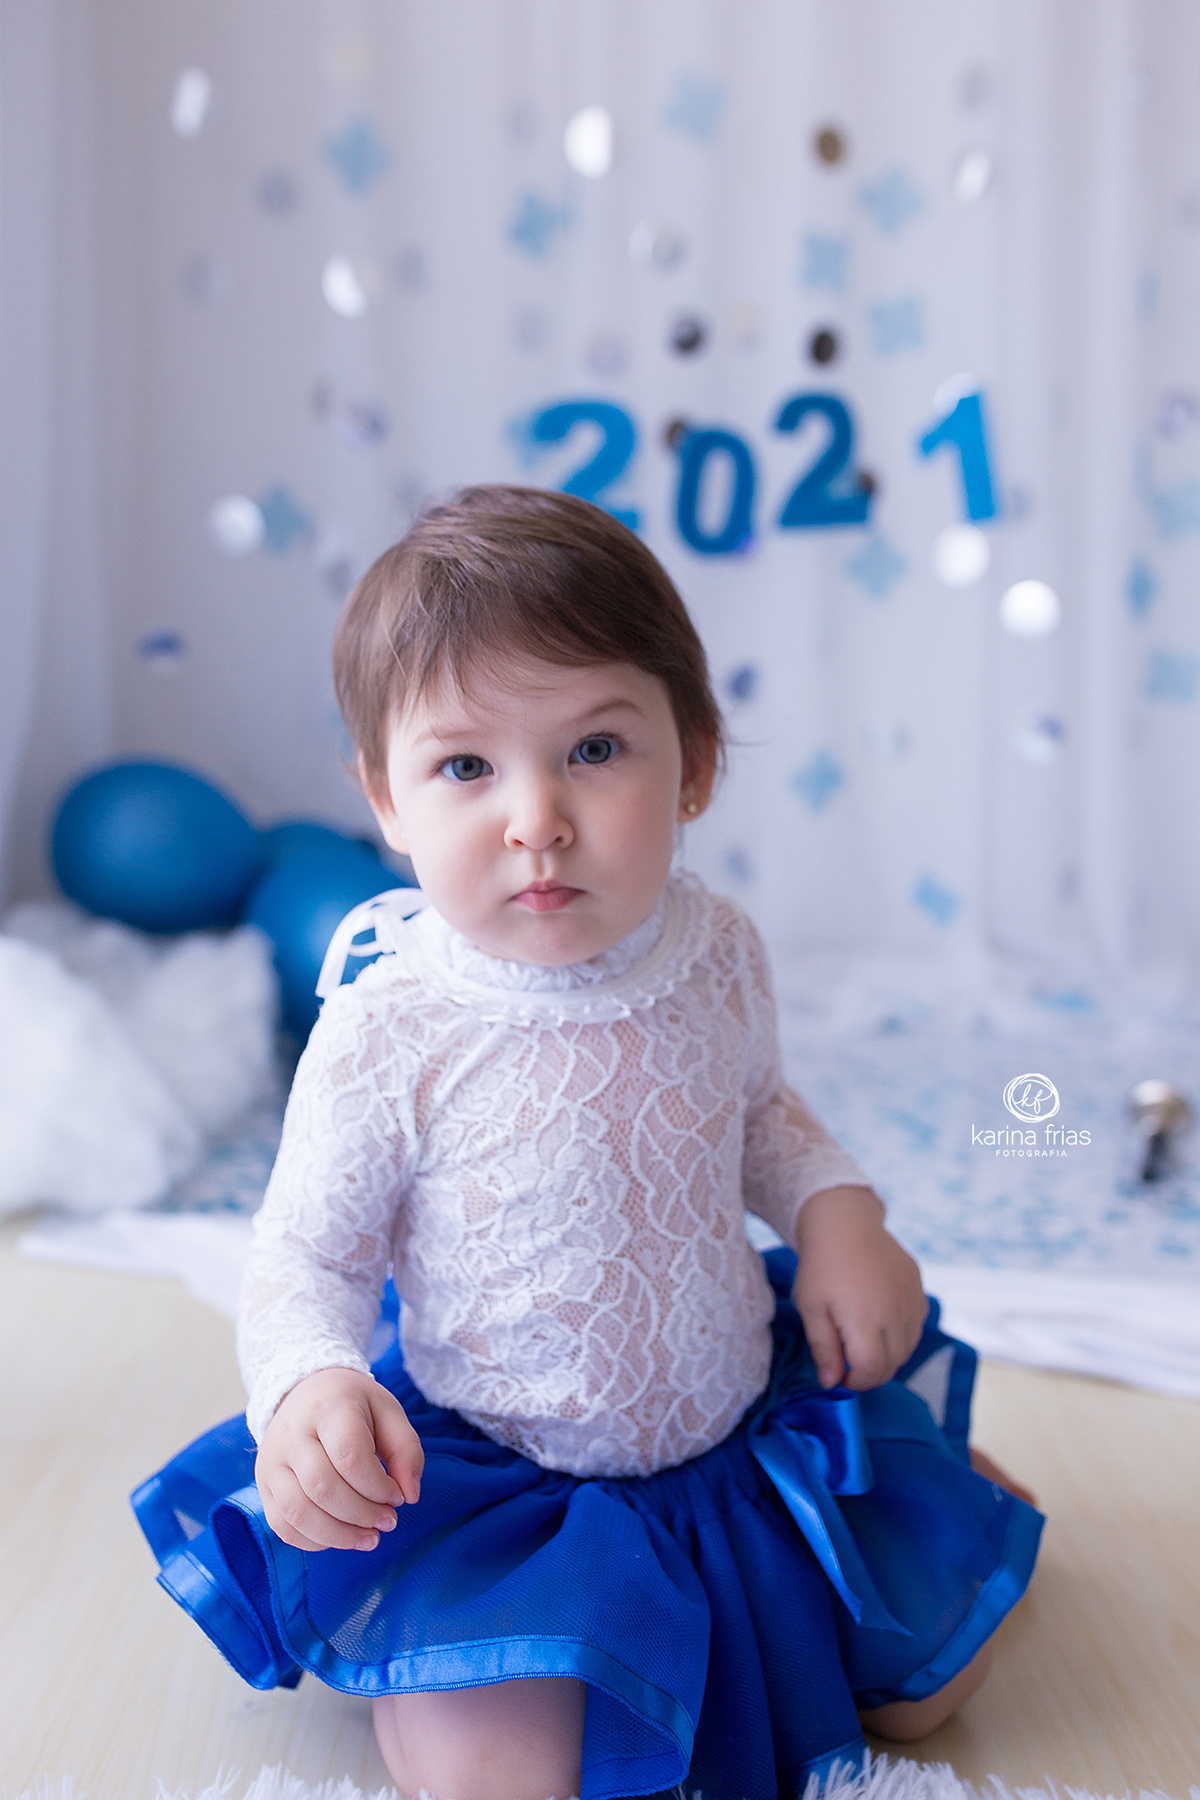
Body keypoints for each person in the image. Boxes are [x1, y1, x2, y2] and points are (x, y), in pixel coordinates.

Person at [133, 486, 1042, 1800]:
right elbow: (303, 1255)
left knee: (928, 1685)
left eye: (597, 751)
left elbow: (763, 1116)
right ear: (385, 799)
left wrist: (841, 1212)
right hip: (504, 1478)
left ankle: (921, 1483)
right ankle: (445, 1668)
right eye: (465, 768)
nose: (536, 819)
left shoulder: (716, 947)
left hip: (725, 1432)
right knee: (508, 1774)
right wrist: (309, 1387)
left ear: (699, 762)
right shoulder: (393, 1024)